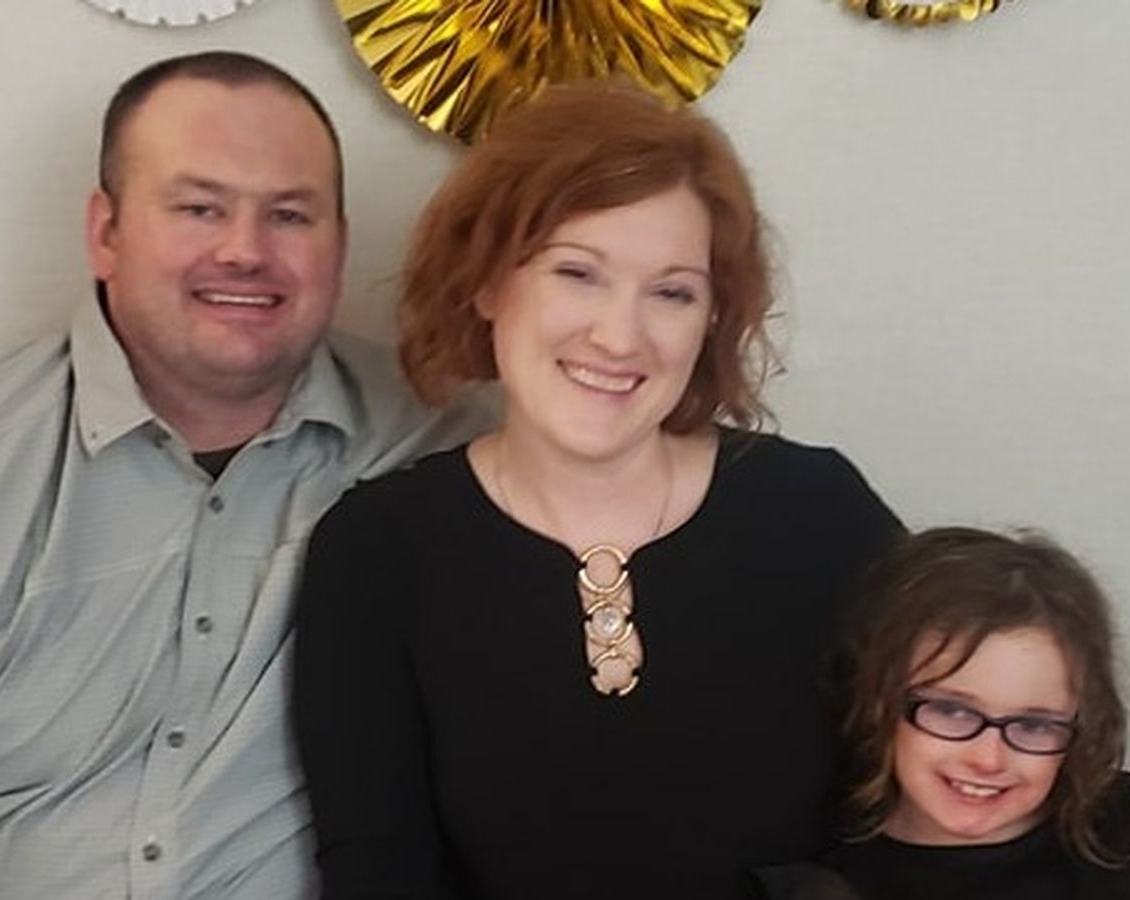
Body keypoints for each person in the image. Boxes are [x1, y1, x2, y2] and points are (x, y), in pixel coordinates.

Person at [293, 81, 902, 900]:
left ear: (711, 318)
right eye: (578, 273)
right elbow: (377, 871)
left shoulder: (820, 513)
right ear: (487, 281)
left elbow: (944, 812)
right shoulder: (379, 549)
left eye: (672, 292)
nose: (619, 336)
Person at [0, 51, 490, 899]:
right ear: (106, 233)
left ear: (340, 246)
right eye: (199, 208)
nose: (244, 251)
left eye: (289, 215)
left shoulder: (440, 458)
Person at [752, 527, 1130, 900]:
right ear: (881, 701)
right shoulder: (823, 886)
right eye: (953, 711)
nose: (988, 759)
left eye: (1034, 725)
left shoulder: (1116, 829)